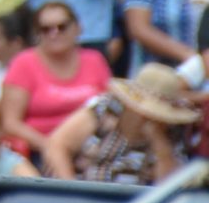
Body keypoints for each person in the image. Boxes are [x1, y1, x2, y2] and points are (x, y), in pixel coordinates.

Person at [45, 63, 199, 185]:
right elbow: (57, 145)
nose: (148, 116)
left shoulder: (174, 132)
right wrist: (71, 189)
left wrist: (158, 140)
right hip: (83, 193)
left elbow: (169, 186)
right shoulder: (108, 108)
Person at [0, 0, 112, 157]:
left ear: (78, 28)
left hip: (92, 150)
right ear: (37, 34)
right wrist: (52, 147)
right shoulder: (23, 63)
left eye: (62, 27)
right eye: (46, 29)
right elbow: (10, 123)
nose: (54, 34)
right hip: (39, 151)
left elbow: (110, 109)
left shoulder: (95, 60)